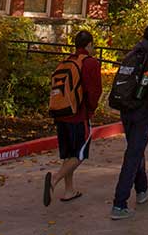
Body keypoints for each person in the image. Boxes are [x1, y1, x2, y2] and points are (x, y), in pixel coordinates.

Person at [110, 24, 148, 220]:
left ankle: (142, 189)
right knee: (134, 153)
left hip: (126, 108)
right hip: (142, 110)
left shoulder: (132, 53)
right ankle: (120, 203)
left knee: (136, 148)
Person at [45, 30, 102, 205]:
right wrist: (91, 109)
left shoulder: (66, 62)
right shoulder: (91, 63)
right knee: (79, 154)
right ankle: (54, 180)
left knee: (68, 154)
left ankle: (69, 190)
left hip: (61, 113)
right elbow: (94, 90)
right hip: (79, 115)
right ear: (89, 45)